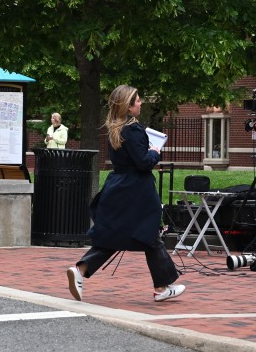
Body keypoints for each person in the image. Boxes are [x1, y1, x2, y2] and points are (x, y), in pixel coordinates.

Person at [67, 86, 184, 302]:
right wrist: (154, 152)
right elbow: (143, 163)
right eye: (137, 101)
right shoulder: (133, 130)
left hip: (118, 186)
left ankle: (81, 270)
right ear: (128, 107)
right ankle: (162, 286)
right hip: (137, 191)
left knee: (120, 235)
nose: (140, 103)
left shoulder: (116, 129)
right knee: (148, 234)